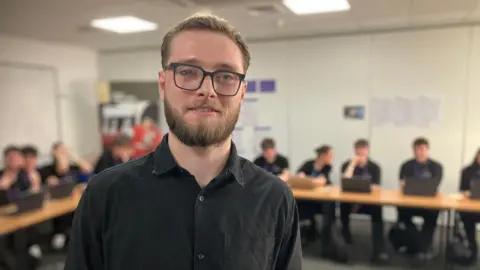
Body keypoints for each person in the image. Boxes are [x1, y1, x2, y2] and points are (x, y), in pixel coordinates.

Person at [65, 14, 302, 270]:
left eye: (225, 76)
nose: (207, 89)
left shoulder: (276, 199)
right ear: (163, 84)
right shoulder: (105, 195)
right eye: (188, 71)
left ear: (242, 92)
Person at [340, 139, 388, 264]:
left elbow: (376, 187)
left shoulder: (374, 167)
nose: (360, 155)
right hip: (350, 202)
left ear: (367, 150)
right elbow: (344, 182)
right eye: (358, 152)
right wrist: (352, 164)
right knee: (342, 206)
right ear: (354, 151)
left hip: (368, 203)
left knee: (377, 210)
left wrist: (360, 199)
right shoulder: (347, 165)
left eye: (363, 152)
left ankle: (379, 249)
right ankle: (345, 240)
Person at [40, 142, 93, 251]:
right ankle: (61, 235)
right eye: (60, 152)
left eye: (65, 151)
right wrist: (61, 161)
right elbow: (59, 174)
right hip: (57, 207)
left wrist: (74, 157)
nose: (63, 154)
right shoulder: (47, 169)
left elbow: (88, 169)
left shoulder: (73, 167)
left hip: (74, 203)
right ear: (54, 153)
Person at [397, 137, 443, 263]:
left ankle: (420, 247)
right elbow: (402, 183)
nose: (420, 152)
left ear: (428, 150)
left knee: (432, 215)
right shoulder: (406, 165)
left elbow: (435, 184)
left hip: (428, 202)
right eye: (417, 149)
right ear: (413, 151)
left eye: (423, 149)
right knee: (402, 212)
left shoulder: (436, 166)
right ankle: (421, 245)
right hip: (409, 202)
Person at [295, 145, 335, 247]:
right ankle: (306, 232)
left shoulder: (327, 166)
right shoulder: (308, 164)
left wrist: (312, 180)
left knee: (329, 206)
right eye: (330, 155)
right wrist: (303, 178)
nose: (331, 157)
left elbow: (324, 181)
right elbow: (298, 176)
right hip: (307, 195)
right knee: (299, 203)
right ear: (323, 155)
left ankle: (325, 237)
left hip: (320, 198)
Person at [458, 148, 480, 265]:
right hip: (470, 208)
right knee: (466, 217)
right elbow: (462, 190)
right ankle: (472, 249)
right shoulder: (467, 171)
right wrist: (467, 193)